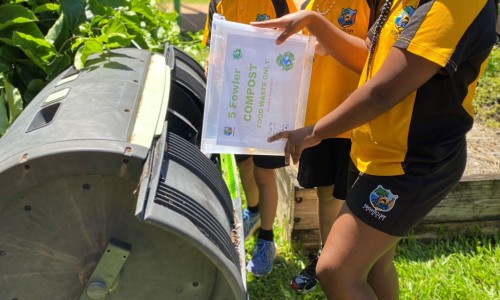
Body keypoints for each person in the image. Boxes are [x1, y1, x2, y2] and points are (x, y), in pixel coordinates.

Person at [252, 0, 497, 298]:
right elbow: (370, 58)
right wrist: (313, 22)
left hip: (412, 163)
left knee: (336, 270)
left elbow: (385, 90)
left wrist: (315, 132)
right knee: (374, 266)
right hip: (377, 153)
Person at [289, 0, 383, 294]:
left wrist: (334, 43)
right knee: (325, 192)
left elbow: (378, 55)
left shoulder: (377, 4)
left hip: (356, 119)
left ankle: (353, 266)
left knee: (355, 198)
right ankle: (324, 261)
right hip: (317, 117)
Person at [201, 0, 298, 277]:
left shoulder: (279, 2)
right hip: (235, 103)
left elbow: (295, 46)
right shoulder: (218, 2)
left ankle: (267, 238)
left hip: (269, 101)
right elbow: (214, 46)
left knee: (264, 174)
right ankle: (253, 211)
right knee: (244, 165)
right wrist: (213, 63)